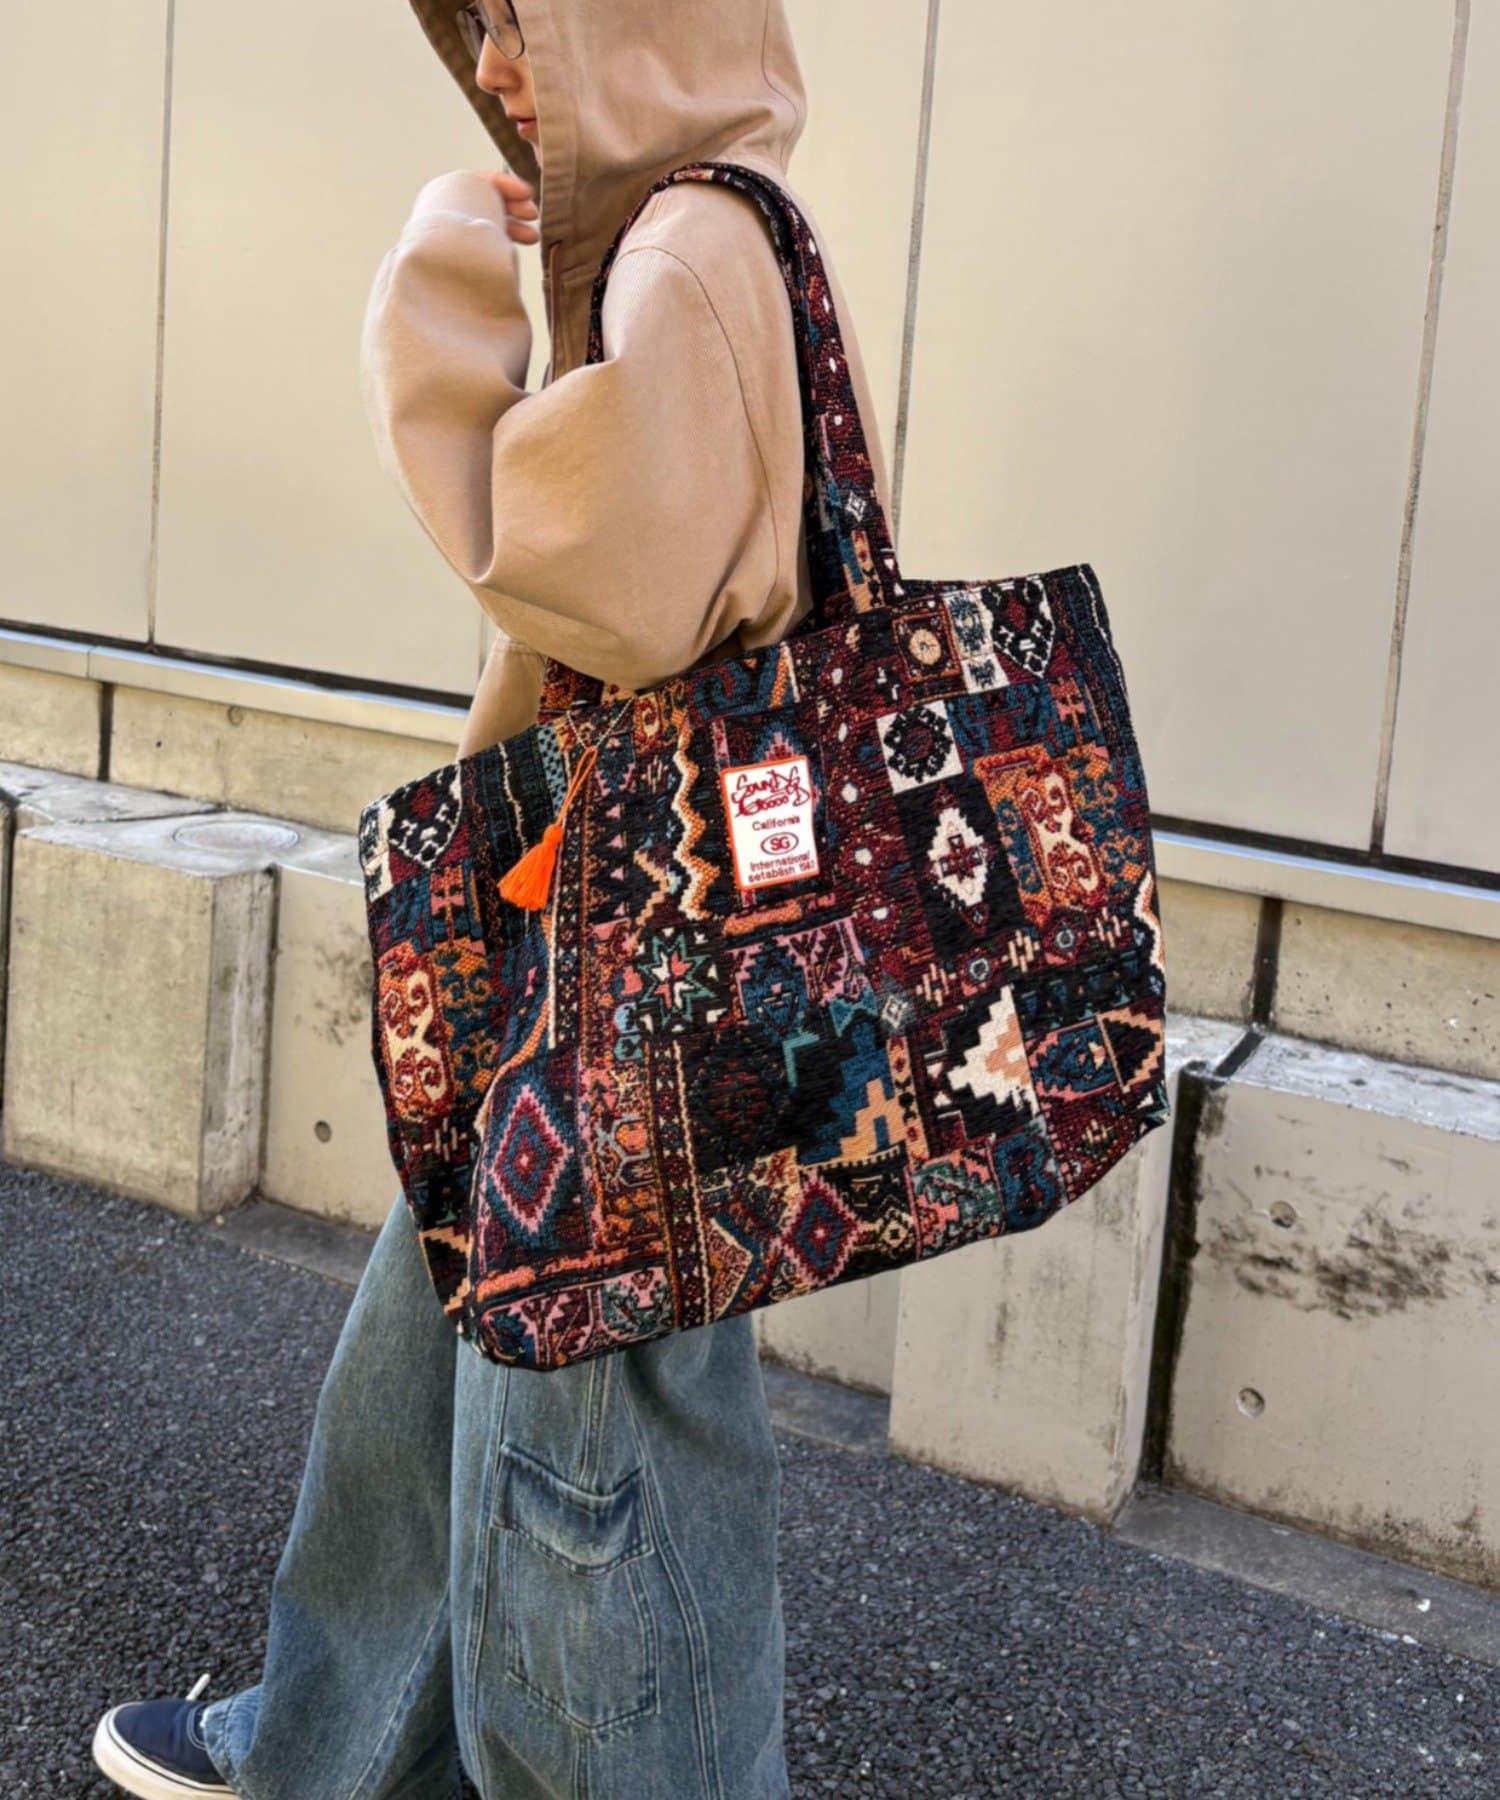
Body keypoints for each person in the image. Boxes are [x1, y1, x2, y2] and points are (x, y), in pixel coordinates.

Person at [90, 0, 889, 1793]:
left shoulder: (687, 254)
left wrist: (438, 277)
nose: (498, 71)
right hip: (590, 935)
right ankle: (330, 1744)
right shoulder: (699, 231)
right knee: (432, 1363)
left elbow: (575, 573)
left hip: (633, 970)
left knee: (595, 1480)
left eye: (521, 22)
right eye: (478, 28)